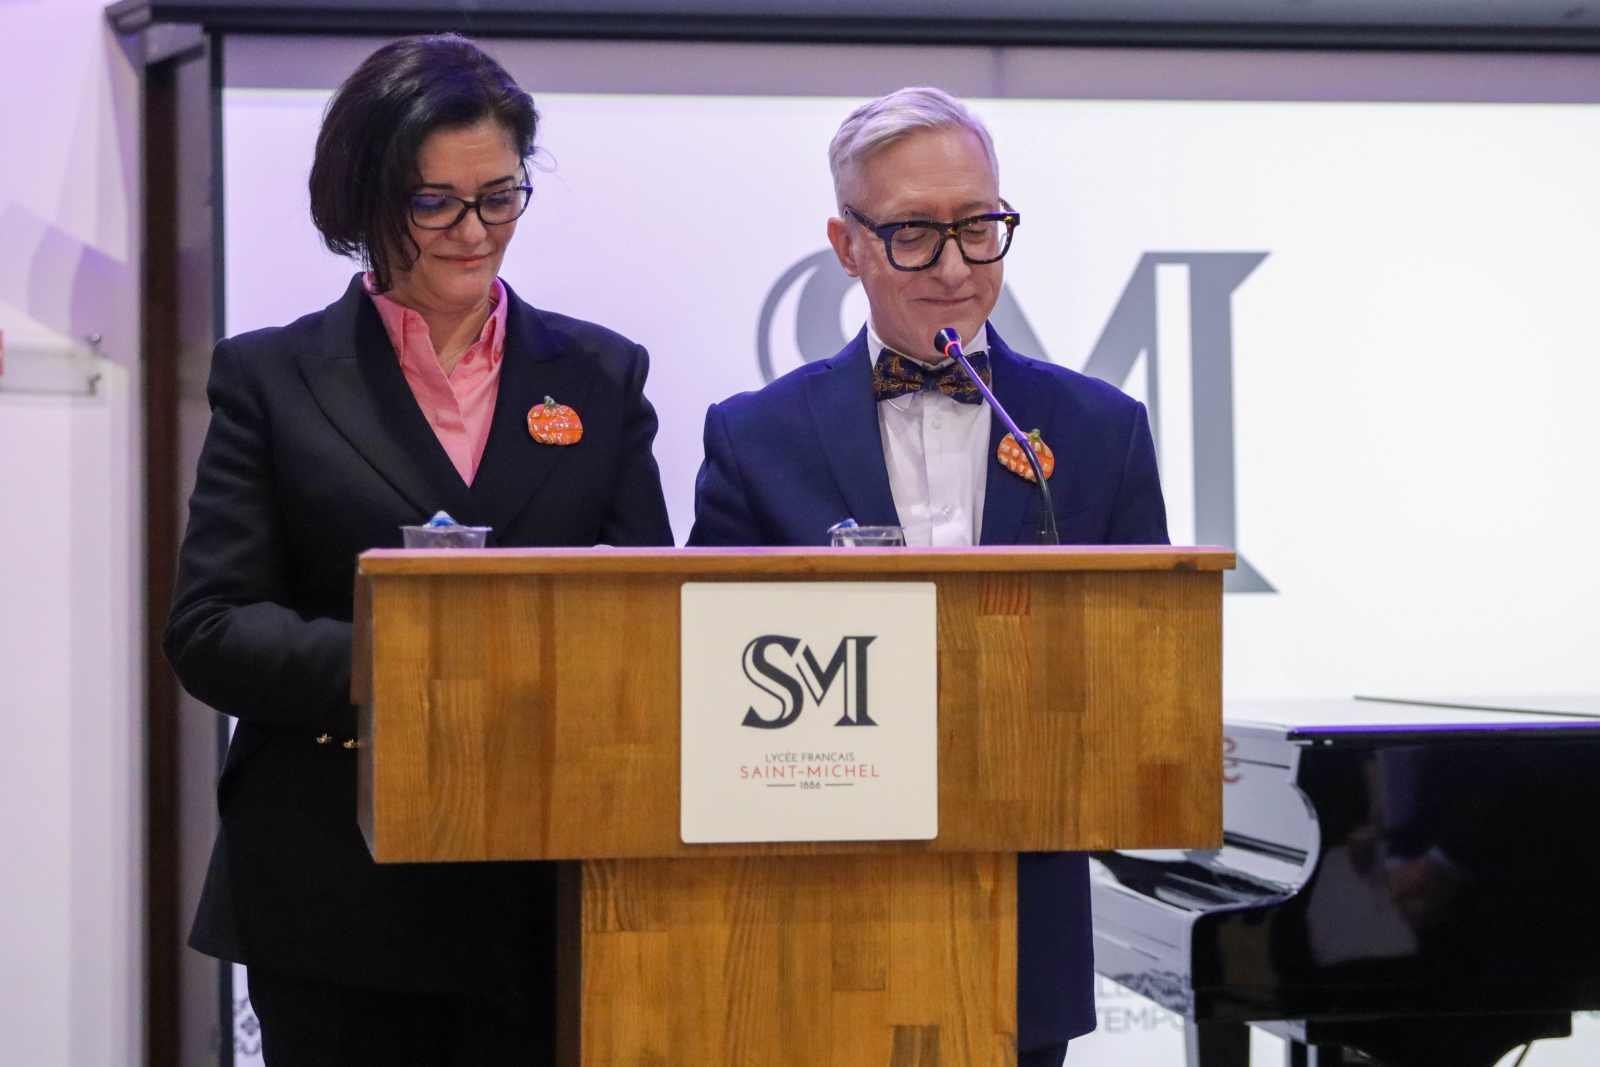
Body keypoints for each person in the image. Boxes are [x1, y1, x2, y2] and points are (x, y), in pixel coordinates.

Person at [165, 34, 672, 1065]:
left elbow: (647, 615)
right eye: (433, 203)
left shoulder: (600, 375)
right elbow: (211, 630)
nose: (472, 232)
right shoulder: (271, 378)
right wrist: (408, 658)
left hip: (548, 883)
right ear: (364, 199)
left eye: (499, 197)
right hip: (335, 892)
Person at [688, 86, 1169, 1064]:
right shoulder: (754, 437)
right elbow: (711, 691)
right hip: (815, 923)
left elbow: (1145, 666)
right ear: (847, 243)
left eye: (978, 228)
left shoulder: (1100, 431)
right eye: (913, 233)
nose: (954, 267)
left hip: (1022, 932)